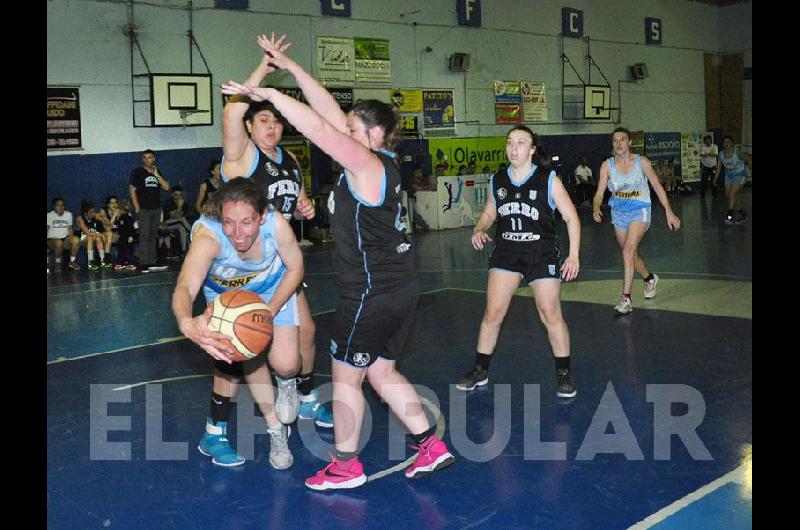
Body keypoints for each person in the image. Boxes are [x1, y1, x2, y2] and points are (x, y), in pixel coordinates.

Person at [222, 32, 455, 490]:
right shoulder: (379, 161)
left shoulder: (367, 164)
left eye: (353, 129)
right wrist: (289, 66)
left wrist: (270, 93)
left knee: (347, 379)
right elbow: (328, 110)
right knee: (382, 370)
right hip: (401, 286)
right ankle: (431, 445)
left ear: (371, 134)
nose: (345, 132)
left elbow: (321, 129)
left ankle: (346, 465)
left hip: (371, 291)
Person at [218, 34, 333, 431]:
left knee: (309, 331)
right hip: (243, 266)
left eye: (276, 120)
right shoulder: (241, 158)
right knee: (244, 345)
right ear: (250, 128)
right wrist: (260, 76)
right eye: (263, 120)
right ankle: (220, 424)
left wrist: (306, 203)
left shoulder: (289, 161)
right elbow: (231, 115)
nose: (272, 126)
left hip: (282, 264)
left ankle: (303, 395)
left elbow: (297, 197)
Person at [171, 178, 303, 469]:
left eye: (246, 222)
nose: (237, 233)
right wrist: (185, 322)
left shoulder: (276, 225)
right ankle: (276, 429)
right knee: (247, 358)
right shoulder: (209, 237)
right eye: (229, 222)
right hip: (226, 299)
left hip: (272, 290)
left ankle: (287, 381)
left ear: (262, 216)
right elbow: (185, 286)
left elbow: (296, 268)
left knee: (287, 363)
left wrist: (267, 311)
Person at [455, 125, 581, 399]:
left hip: (541, 254)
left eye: (520, 143)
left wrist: (573, 255)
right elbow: (490, 213)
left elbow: (571, 217)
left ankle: (564, 371)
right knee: (492, 314)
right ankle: (480, 369)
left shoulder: (548, 179)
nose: (513, 148)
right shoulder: (497, 179)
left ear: (532, 149)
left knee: (550, 314)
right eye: (510, 142)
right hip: (507, 253)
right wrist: (479, 228)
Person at [592, 127, 681, 314]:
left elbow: (657, 187)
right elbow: (599, 192)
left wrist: (669, 212)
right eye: (615, 140)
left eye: (622, 139)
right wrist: (596, 207)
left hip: (640, 210)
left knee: (628, 250)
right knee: (629, 255)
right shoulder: (607, 166)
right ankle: (649, 278)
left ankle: (626, 298)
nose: (619, 143)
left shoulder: (642, 162)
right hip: (618, 213)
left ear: (630, 142)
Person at [129, 149, 170, 273]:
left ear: (154, 159)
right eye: (145, 158)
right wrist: (136, 206)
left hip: (156, 208)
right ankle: (143, 263)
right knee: (144, 235)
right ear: (143, 159)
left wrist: (157, 175)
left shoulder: (157, 172)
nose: (148, 160)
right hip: (144, 208)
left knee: (153, 235)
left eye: (150, 157)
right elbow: (132, 189)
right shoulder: (137, 172)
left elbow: (167, 187)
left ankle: (152, 261)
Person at [714, 135, 748, 225]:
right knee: (730, 196)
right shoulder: (721, 154)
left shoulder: (737, 152)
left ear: (732, 143)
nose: (726, 144)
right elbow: (719, 168)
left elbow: (748, 159)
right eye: (725, 142)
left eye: (728, 142)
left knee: (732, 193)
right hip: (729, 176)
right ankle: (742, 214)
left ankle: (729, 216)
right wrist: (715, 179)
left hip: (740, 174)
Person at [160, 185, 194, 258]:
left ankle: (183, 250)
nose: (178, 197)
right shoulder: (168, 203)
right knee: (181, 219)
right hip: (164, 223)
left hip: (175, 223)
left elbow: (184, 215)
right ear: (172, 194)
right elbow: (174, 216)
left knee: (181, 227)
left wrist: (181, 207)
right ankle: (193, 232)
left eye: (180, 195)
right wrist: (179, 206)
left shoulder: (184, 203)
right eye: (176, 195)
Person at [47, 197, 79, 272]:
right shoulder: (49, 215)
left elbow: (70, 228)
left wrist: (71, 238)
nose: (60, 207)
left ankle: (72, 261)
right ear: (54, 207)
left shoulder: (68, 214)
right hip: (52, 240)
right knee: (58, 242)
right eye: (58, 205)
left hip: (65, 239)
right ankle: (58, 263)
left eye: (62, 205)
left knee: (76, 240)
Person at [76, 200, 107, 271]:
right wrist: (101, 234)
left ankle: (103, 261)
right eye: (91, 212)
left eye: (94, 211)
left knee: (98, 238)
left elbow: (107, 225)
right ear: (85, 213)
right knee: (91, 237)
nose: (93, 214)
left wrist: (103, 219)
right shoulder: (80, 218)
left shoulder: (95, 215)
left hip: (93, 235)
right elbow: (87, 233)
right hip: (82, 238)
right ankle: (90, 262)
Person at [95, 195, 120, 268]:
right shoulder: (103, 211)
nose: (114, 205)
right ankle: (107, 258)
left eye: (116, 202)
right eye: (111, 203)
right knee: (109, 234)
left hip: (115, 234)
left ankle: (124, 259)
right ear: (108, 204)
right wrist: (114, 215)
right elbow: (108, 227)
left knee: (121, 236)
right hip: (103, 233)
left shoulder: (120, 211)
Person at [113, 200, 138, 271]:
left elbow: (131, 228)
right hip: (121, 237)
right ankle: (121, 263)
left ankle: (131, 263)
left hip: (128, 238)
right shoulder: (119, 218)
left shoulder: (128, 218)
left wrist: (131, 236)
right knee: (121, 250)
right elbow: (116, 227)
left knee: (128, 251)